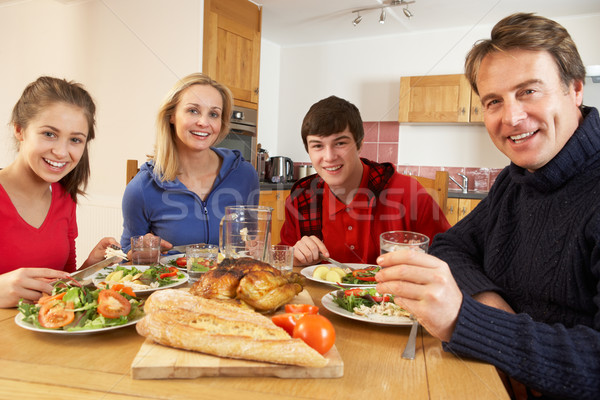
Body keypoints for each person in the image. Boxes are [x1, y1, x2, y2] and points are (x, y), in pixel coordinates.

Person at [375, 13, 600, 399]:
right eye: (494, 101)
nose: (511, 118)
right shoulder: (516, 180)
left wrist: (465, 320)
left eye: (529, 91)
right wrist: (489, 303)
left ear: (575, 89)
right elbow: (451, 244)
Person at [279, 95, 450, 266]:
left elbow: (449, 255)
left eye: (340, 143)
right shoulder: (301, 199)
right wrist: (294, 258)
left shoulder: (409, 192)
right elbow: (281, 259)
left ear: (360, 144)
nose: (329, 157)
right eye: (317, 146)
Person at [0, 76, 121, 308]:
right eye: (49, 134)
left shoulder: (64, 197)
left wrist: (89, 266)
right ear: (19, 130)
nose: (61, 151)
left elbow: (60, 283)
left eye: (75, 139)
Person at [120, 73, 259, 253]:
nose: (203, 122)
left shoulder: (245, 175)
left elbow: (253, 242)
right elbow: (125, 255)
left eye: (214, 114)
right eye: (193, 110)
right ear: (171, 115)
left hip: (231, 280)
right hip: (177, 281)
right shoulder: (141, 188)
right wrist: (139, 250)